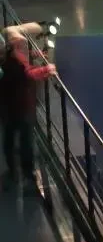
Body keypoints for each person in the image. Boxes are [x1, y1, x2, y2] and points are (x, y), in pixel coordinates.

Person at [0, 23, 56, 191]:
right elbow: (27, 73)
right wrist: (47, 70)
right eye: (22, 46)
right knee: (25, 142)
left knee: (11, 139)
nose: (25, 49)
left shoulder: (8, 59)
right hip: (20, 108)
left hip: (9, 108)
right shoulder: (14, 64)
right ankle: (26, 173)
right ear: (14, 47)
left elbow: (25, 63)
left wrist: (38, 54)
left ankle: (14, 170)